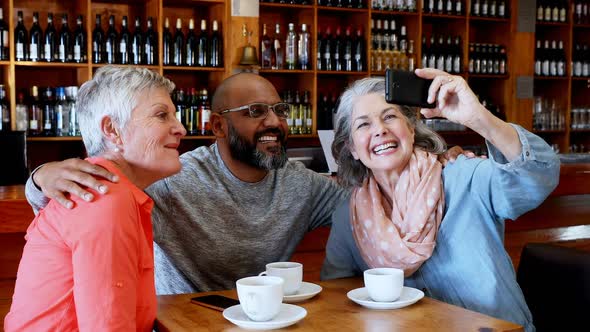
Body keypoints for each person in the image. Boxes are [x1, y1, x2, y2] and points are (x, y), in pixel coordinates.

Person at [24, 73, 349, 294]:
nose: (275, 122)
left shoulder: (303, 185)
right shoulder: (172, 177)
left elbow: (359, 204)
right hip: (177, 321)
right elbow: (78, 205)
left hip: (266, 320)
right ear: (218, 127)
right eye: (256, 111)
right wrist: (40, 178)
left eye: (280, 110)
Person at [320, 68, 560, 332]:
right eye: (363, 124)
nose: (380, 130)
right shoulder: (350, 217)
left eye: (390, 116)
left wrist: (479, 118)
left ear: (411, 129)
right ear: (352, 148)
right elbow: (338, 294)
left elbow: (539, 175)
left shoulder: (463, 176)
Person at [4, 66, 186, 331]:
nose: (180, 128)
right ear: (112, 130)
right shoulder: (106, 198)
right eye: (162, 115)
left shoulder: (113, 191)